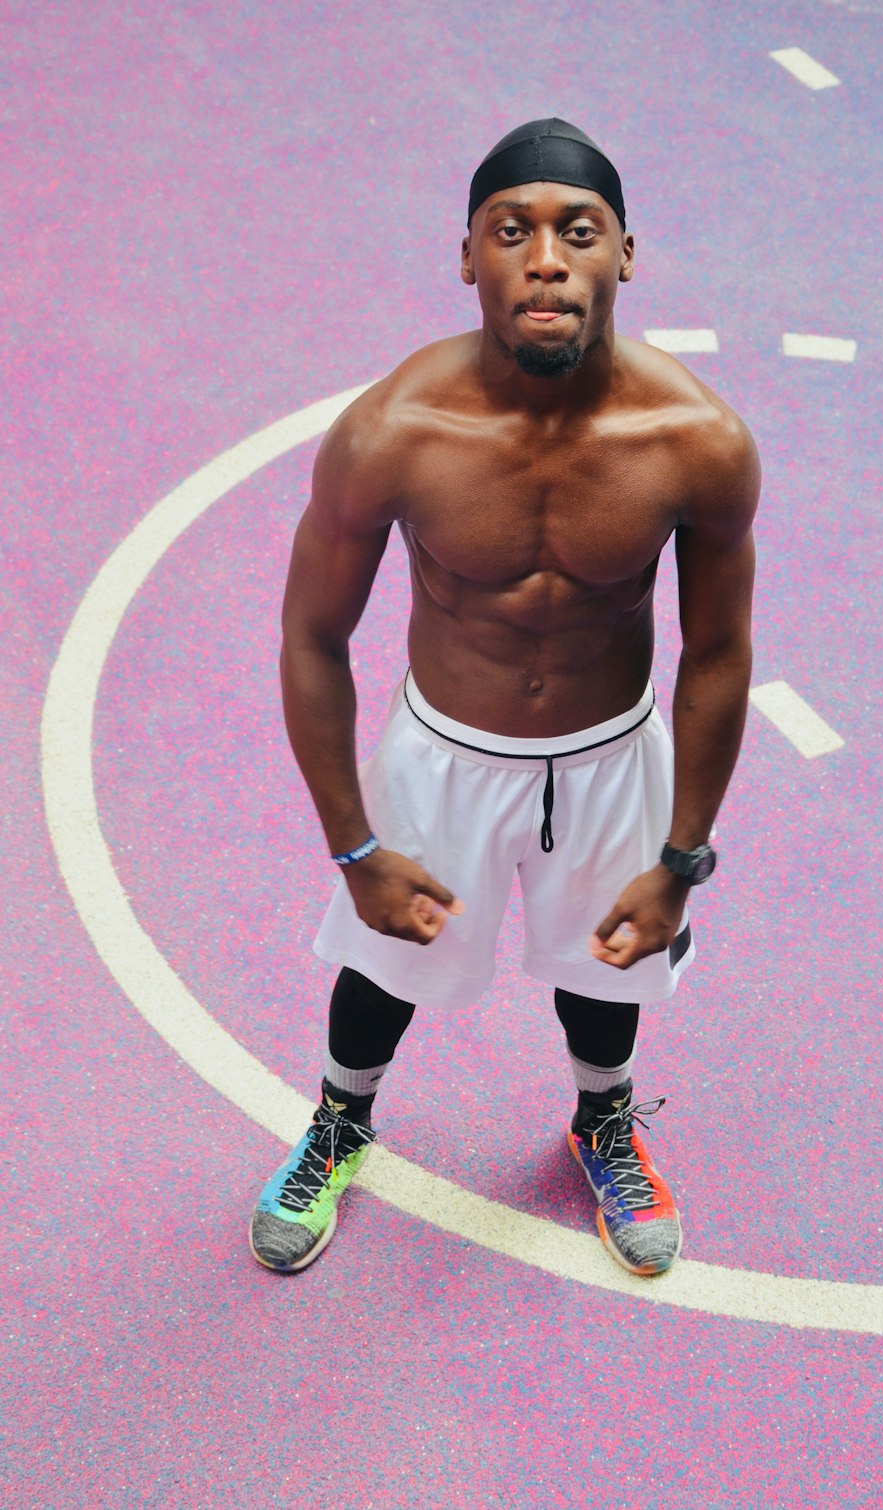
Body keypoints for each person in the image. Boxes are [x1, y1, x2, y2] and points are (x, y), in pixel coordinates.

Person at [249, 119, 759, 1277]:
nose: (543, 258)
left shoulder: (698, 442)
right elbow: (312, 636)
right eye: (509, 231)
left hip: (613, 752)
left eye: (575, 232)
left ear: (623, 253)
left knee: (608, 961)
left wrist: (681, 859)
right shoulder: (392, 432)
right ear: (467, 256)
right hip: (446, 750)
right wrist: (353, 848)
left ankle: (601, 1122)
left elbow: (718, 654)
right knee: (384, 964)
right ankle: (340, 1119)